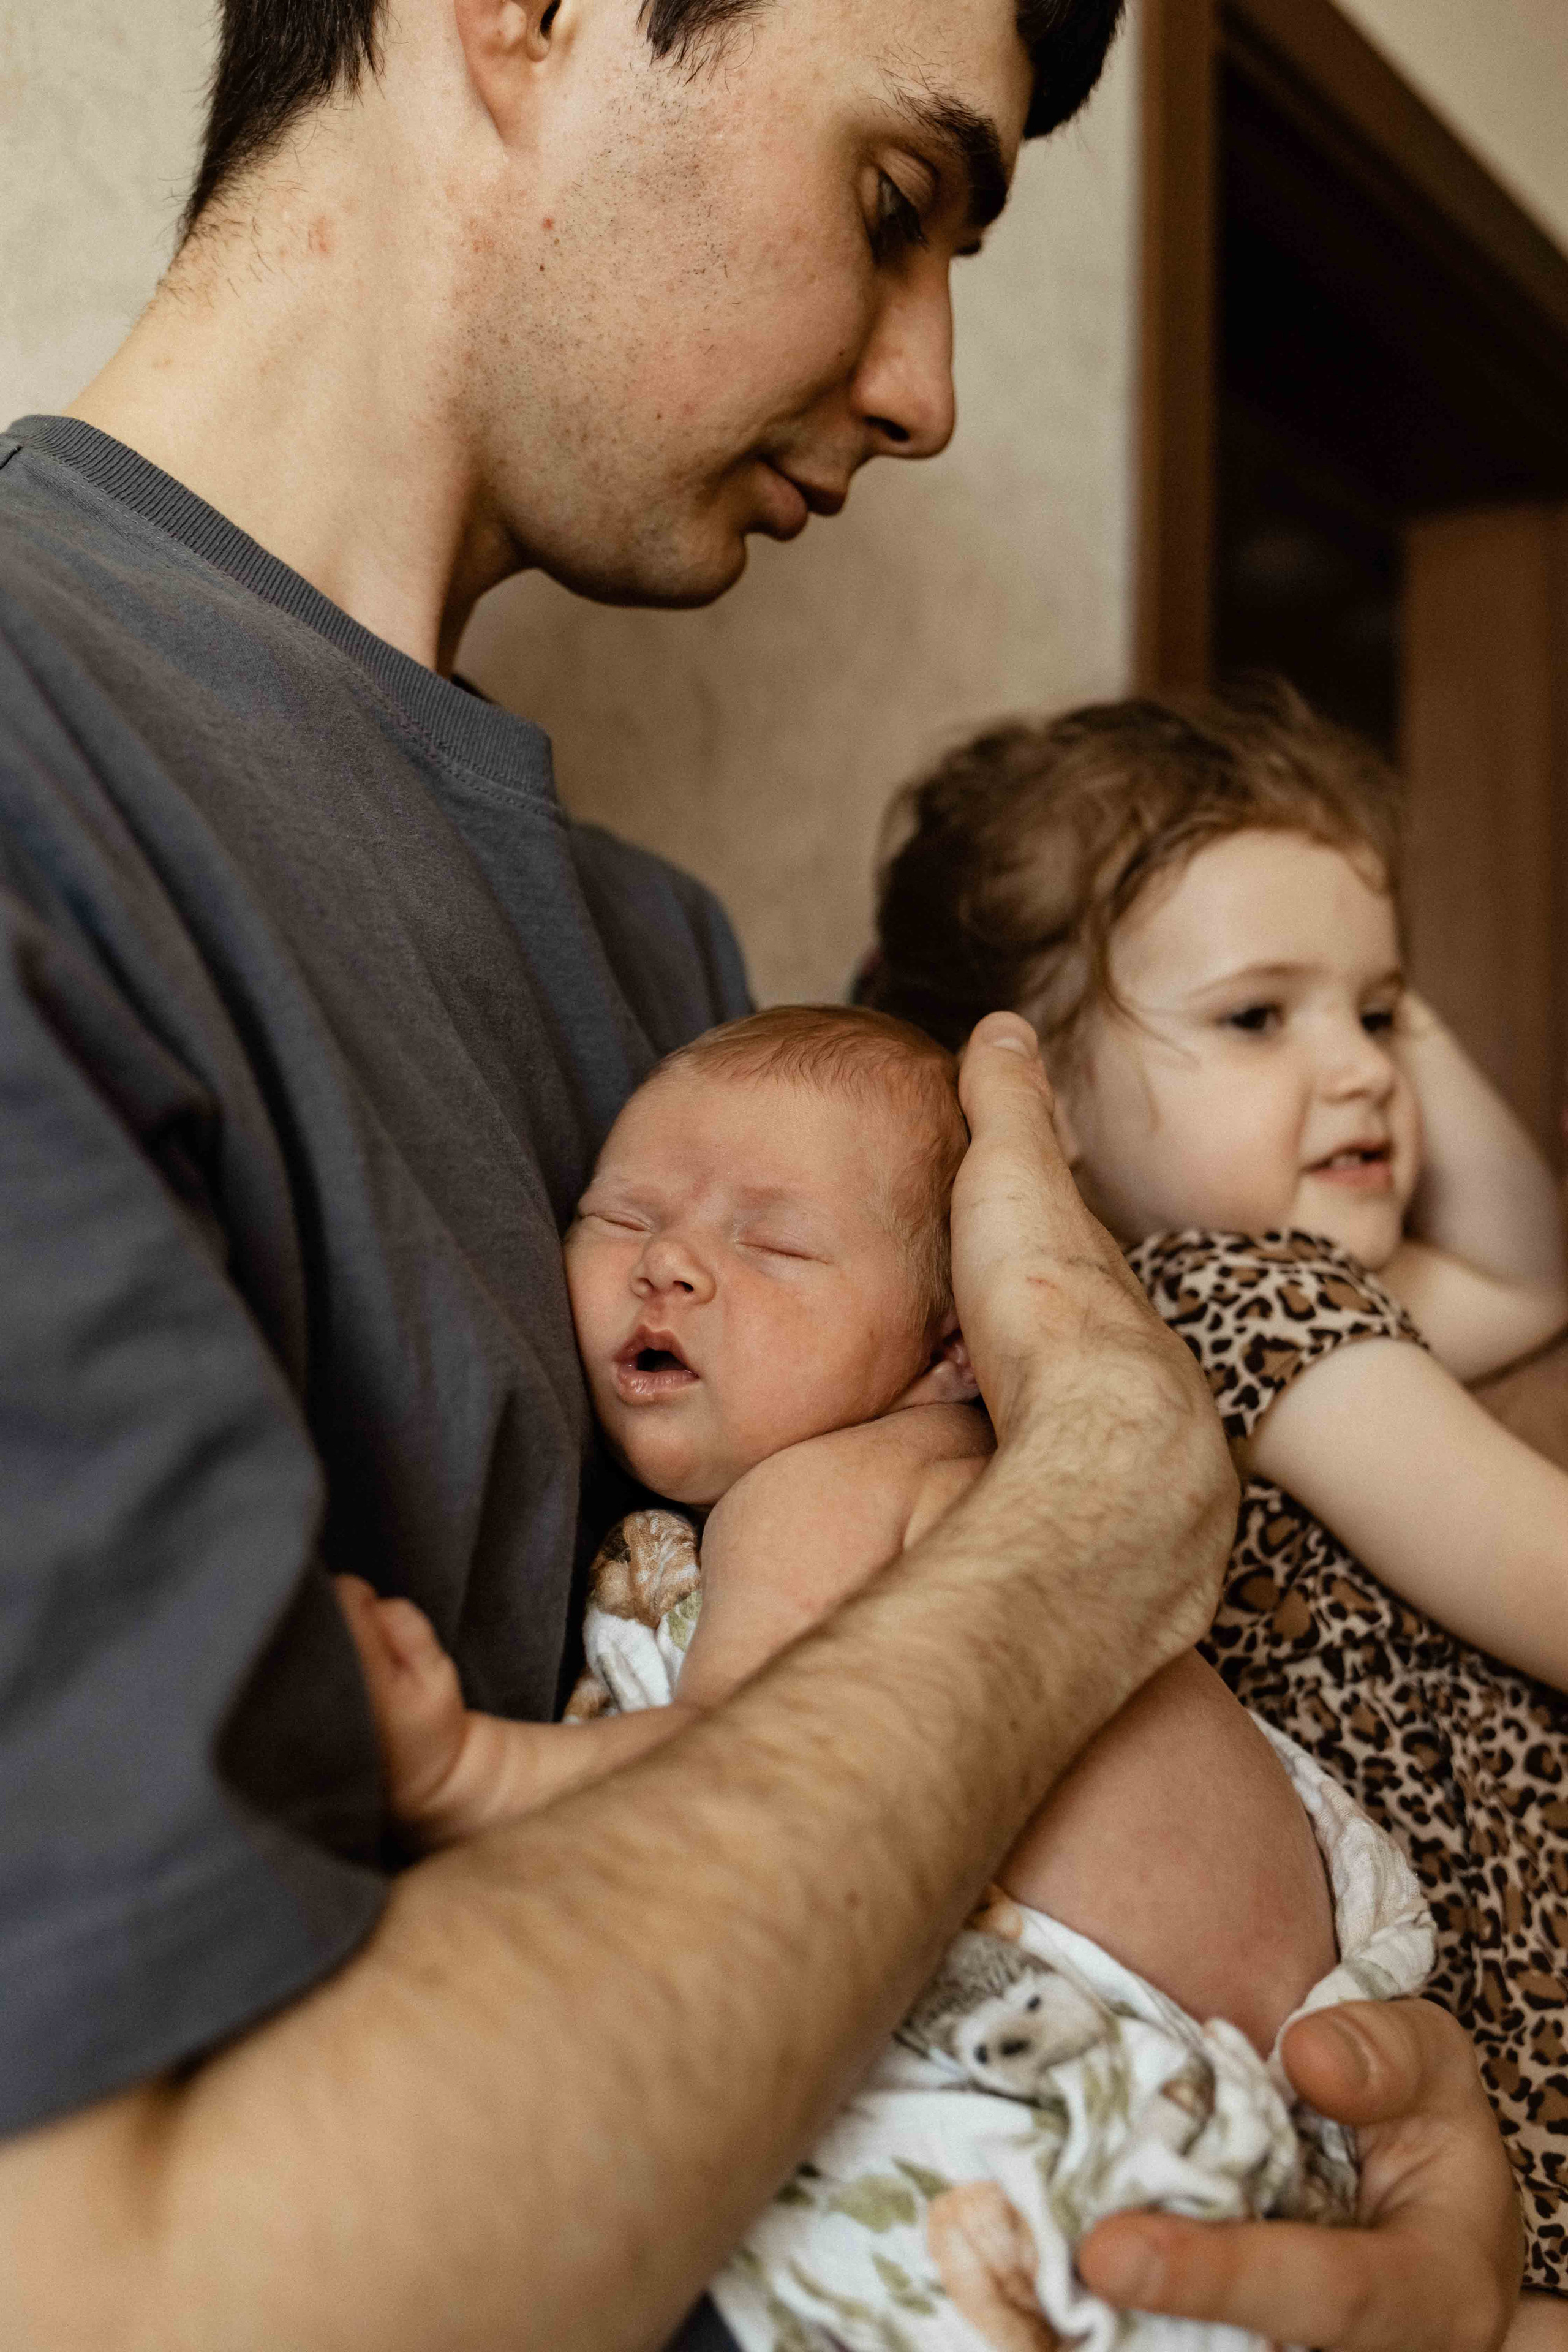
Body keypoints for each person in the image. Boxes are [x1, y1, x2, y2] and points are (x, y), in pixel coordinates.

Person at [0, 0, 1520, 2338]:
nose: (927, 387)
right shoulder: (43, 775)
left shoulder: (672, 970)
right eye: (897, 204)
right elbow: (132, 2282)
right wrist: (1090, 1522)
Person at [339, 1002, 1434, 2351]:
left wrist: (473, 1770)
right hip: (1300, 2112)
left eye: (773, 1241)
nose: (670, 1263)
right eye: (617, 1218)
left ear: (947, 1351)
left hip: (1102, 2084)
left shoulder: (838, 1485)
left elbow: (729, 1779)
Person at [864, 681, 1568, 2324]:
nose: (1360, 1073)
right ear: (1051, 1118)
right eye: (1258, 1019)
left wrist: (1363, 1019)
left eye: (1382, 1017)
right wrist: (1366, 1024)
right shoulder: (1249, 1308)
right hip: (1488, 1967)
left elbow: (1528, 1276)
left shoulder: (1255, 1295)